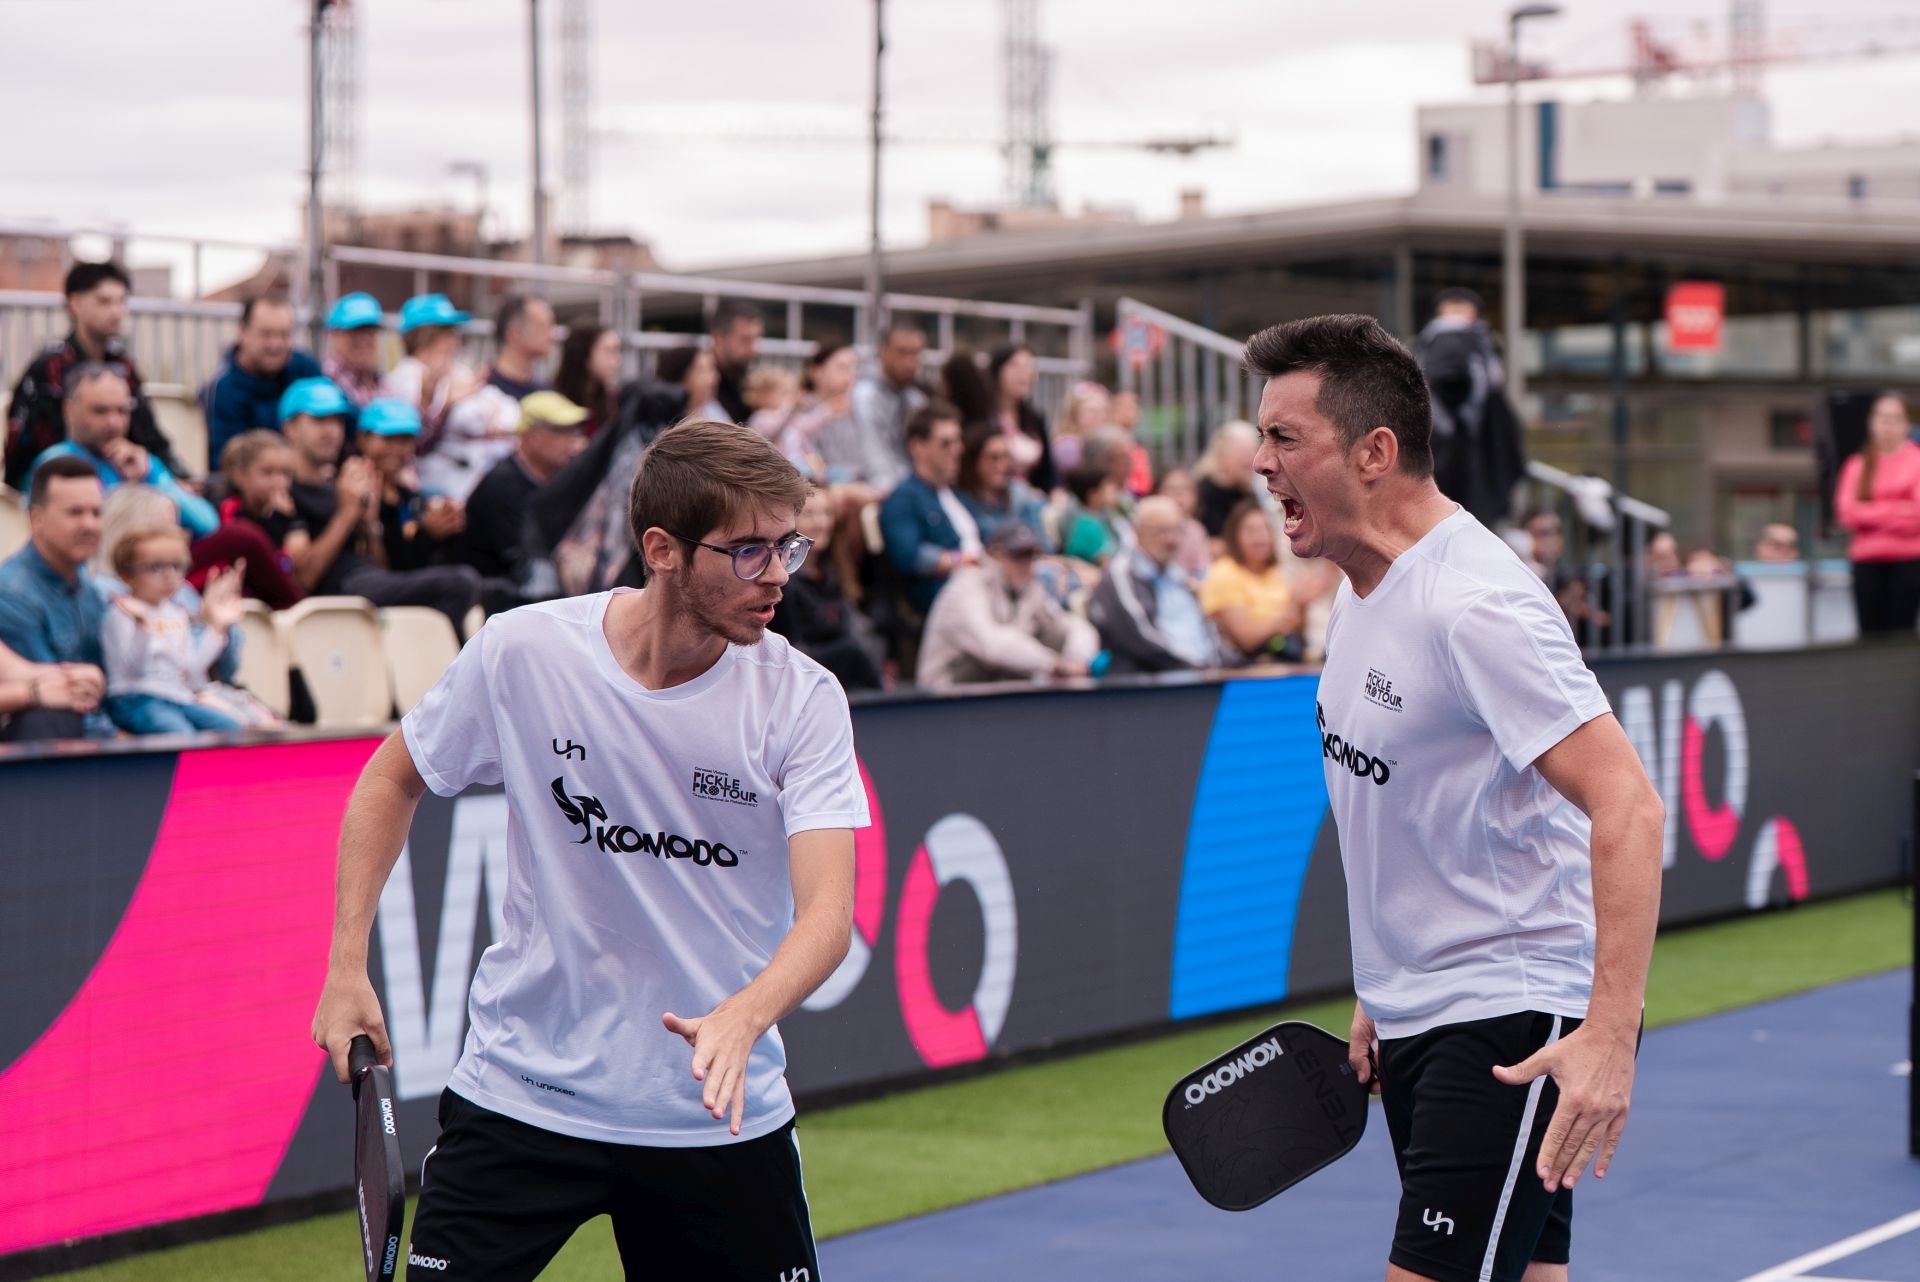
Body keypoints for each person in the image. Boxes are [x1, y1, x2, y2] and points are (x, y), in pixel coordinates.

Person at [309, 418, 865, 1282]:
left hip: (711, 1114)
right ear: (662, 549)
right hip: (520, 1096)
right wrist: (346, 966)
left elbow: (829, 915)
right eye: (749, 551)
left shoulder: (802, 698)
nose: (779, 577)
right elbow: (391, 779)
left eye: (788, 546)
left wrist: (744, 1016)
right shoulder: (524, 651)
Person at [1246, 312, 1663, 1282]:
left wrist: (1607, 1036)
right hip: (1418, 1015)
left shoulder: (1479, 603)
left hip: (1511, 1019)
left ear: (1374, 451)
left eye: (1283, 437)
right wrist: (1379, 985)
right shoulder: (1360, 590)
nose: (1259, 464)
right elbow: (1413, 808)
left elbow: (1629, 806)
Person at [263, 379, 482, 630]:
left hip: (368, 585)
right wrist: (348, 514)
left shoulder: (347, 485)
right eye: (319, 420)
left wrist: (370, 523)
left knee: (479, 586)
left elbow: (380, 569)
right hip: (336, 600)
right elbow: (304, 579)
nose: (331, 431)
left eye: (336, 421)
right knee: (460, 583)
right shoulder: (283, 494)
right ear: (290, 428)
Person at [6, 259, 184, 488]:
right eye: (104, 301)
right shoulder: (49, 368)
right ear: (75, 303)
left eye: (122, 302)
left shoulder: (123, 365)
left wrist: (176, 478)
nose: (117, 312)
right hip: (59, 489)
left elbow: (150, 437)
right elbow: (27, 455)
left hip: (126, 483)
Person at [26, 365, 218, 537]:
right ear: (69, 411)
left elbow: (208, 524)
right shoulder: (57, 464)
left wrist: (149, 475)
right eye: (100, 411)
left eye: (121, 411)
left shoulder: (138, 461)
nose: (113, 422)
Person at [0, 457, 112, 738]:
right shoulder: (11, 592)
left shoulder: (95, 590)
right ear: (36, 518)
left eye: (96, 513)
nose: (89, 524)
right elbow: (67, 697)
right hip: (58, 753)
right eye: (75, 513)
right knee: (47, 718)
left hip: (98, 738)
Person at [916, 520, 1099, 691]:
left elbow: (1073, 627)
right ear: (995, 555)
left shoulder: (1030, 588)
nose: (1025, 564)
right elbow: (992, 646)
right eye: (1018, 555)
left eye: (1030, 555)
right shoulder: (966, 587)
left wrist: (1078, 659)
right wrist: (1055, 664)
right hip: (942, 702)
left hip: (993, 701)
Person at [101, 526, 246, 735]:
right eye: (156, 567)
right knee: (180, 734)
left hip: (176, 696)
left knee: (230, 728)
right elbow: (134, 669)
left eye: (177, 566)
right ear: (126, 574)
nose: (169, 575)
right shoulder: (122, 612)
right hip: (136, 698)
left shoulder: (176, 613)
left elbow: (192, 668)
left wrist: (216, 628)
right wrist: (142, 626)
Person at [1415, 287, 1528, 528]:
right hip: (1462, 453)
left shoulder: (1433, 341)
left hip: (1450, 452)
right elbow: (1453, 383)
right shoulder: (1460, 338)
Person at [423, 295, 555, 501]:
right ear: (514, 333)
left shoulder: (549, 394)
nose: (553, 334)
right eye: (545, 325)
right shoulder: (477, 388)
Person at [463, 391, 591, 583]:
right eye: (563, 431)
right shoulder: (501, 486)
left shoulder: (559, 481)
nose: (576, 442)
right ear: (531, 436)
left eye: (576, 431)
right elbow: (524, 562)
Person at [1087, 495, 1225, 674]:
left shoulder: (1179, 576)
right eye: (1161, 531)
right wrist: (1196, 669)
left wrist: (1215, 665)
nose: (1171, 540)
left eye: (1177, 530)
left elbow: (1207, 628)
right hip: (1150, 687)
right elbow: (1139, 637)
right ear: (1137, 532)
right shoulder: (1121, 575)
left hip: (1202, 679)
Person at [768, 487, 883, 691]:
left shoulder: (833, 573)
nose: (821, 523)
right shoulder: (783, 581)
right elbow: (791, 649)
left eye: (827, 513)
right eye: (810, 514)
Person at [879, 401, 980, 614]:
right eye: (946, 443)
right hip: (949, 599)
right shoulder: (903, 498)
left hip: (981, 587)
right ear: (918, 446)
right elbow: (910, 557)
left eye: (958, 442)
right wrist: (964, 560)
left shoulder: (958, 496)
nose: (957, 450)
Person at [200, 294, 324, 464]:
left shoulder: (305, 369)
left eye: (284, 335)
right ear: (243, 332)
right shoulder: (222, 391)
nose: (275, 344)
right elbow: (227, 464)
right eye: (266, 334)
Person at [1835, 391, 1920, 635]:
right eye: (1882, 417)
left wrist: (1871, 513)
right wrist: (1898, 508)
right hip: (1867, 564)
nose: (1888, 425)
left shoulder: (1916, 462)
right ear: (1871, 422)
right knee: (1870, 637)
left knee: (1901, 636)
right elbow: (1848, 513)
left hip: (1909, 564)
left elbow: (1917, 516)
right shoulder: (1857, 465)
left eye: (1895, 418)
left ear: (1906, 424)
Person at [356, 399, 468, 573]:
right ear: (363, 439)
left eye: (405, 440)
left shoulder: (409, 498)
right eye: (388, 438)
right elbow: (375, 573)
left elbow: (407, 563)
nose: (397, 449)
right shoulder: (348, 493)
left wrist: (435, 530)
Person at [1200, 500, 1302, 662]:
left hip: (1286, 659)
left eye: (1265, 529)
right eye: (1251, 531)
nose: (1260, 537)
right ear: (1235, 536)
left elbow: (1296, 627)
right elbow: (1247, 638)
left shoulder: (1277, 573)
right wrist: (1290, 610)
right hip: (1241, 669)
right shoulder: (1223, 573)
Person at [380, 293, 479, 444]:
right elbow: (410, 439)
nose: (455, 340)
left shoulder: (458, 371)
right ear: (425, 336)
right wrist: (442, 405)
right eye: (447, 332)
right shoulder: (404, 374)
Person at [850, 325, 928, 492]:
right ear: (883, 352)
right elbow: (874, 456)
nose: (910, 362)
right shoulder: (864, 395)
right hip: (875, 487)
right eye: (902, 352)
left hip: (912, 487)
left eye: (915, 354)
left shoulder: (916, 399)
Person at [958, 422, 1050, 548]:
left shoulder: (1020, 494)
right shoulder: (961, 501)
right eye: (993, 458)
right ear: (974, 461)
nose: (1001, 466)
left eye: (1005, 457)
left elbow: (1042, 543)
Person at [988, 344, 1055, 491]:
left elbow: (1048, 470)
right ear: (998, 370)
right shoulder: (985, 416)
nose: (1023, 373)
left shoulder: (1035, 419)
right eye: (1015, 365)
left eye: (1028, 366)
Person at [1193, 420, 1263, 539]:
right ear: (1220, 454)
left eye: (1254, 451)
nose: (1250, 458)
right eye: (1242, 452)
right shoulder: (1202, 494)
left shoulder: (1251, 492)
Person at [552, 323, 622, 437]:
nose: (617, 360)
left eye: (617, 351)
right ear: (584, 352)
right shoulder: (553, 399)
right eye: (608, 350)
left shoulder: (612, 401)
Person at [321, 292, 387, 409]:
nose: (364, 339)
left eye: (370, 332)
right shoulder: (326, 382)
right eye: (355, 331)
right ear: (333, 334)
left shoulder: (381, 381)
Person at [1058, 463, 1126, 566]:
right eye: (1108, 486)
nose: (1114, 489)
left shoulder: (1105, 516)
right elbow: (1105, 562)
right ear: (1093, 494)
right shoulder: (1086, 526)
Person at [709, 299, 765, 423]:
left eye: (756, 339)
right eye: (745, 340)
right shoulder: (701, 386)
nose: (754, 349)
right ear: (719, 338)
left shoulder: (745, 383)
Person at [1155, 468, 1213, 577]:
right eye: (1171, 489)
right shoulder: (1150, 527)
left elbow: (1202, 570)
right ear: (1159, 493)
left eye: (1185, 489)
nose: (1179, 494)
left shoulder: (1196, 530)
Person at [1049, 380, 1111, 474]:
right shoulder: (1068, 446)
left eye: (1104, 410)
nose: (1100, 417)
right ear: (1074, 413)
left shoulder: (1106, 444)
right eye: (1092, 411)